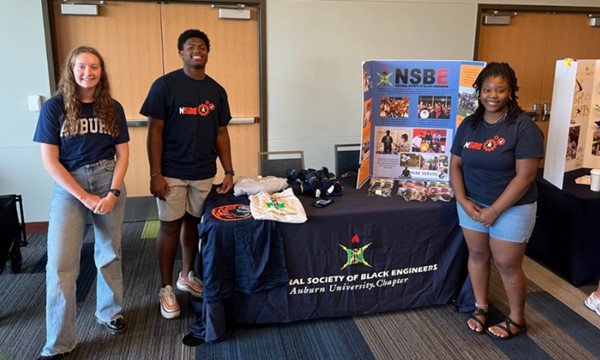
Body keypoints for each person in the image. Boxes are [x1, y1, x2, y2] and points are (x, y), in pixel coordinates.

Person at [33, 46, 130, 359]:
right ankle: (59, 342)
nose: (88, 73)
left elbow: (123, 153)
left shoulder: (112, 107)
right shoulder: (55, 108)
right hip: (69, 186)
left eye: (94, 67)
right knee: (61, 263)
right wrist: (83, 196)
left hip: (107, 179)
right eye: (81, 67)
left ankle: (109, 311)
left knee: (110, 251)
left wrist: (113, 193)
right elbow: (50, 161)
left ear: (102, 71)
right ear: (71, 71)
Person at [140, 29, 234, 321]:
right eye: (191, 47)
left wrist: (229, 170)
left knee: (193, 224)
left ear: (208, 52)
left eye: (202, 47)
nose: (197, 51)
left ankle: (186, 275)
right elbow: (154, 131)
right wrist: (155, 173)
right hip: (172, 173)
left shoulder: (216, 91)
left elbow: (221, 133)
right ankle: (166, 287)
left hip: (204, 172)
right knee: (169, 226)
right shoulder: (165, 86)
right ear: (180, 52)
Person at [449, 62, 544, 340]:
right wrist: (464, 201)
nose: (493, 95)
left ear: (511, 92)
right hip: (472, 204)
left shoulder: (523, 127)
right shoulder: (469, 124)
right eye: (487, 89)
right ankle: (481, 307)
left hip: (512, 208)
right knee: (478, 256)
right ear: (479, 91)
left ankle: (517, 319)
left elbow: (525, 176)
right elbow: (455, 165)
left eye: (500, 90)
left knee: (506, 263)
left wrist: (494, 211)